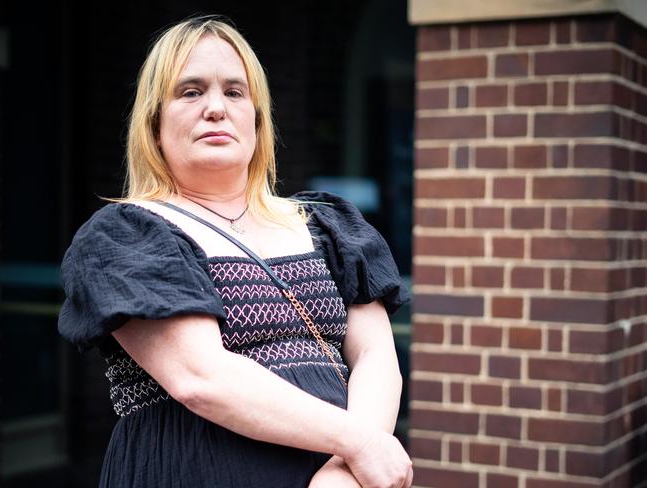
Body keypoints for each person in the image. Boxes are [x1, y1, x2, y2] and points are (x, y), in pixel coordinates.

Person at [58, 15, 412, 488]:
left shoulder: (329, 226)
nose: (215, 108)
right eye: (189, 91)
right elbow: (202, 379)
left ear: (257, 118)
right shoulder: (126, 235)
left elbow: (375, 355)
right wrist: (361, 445)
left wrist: (345, 473)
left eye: (234, 91)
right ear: (154, 123)